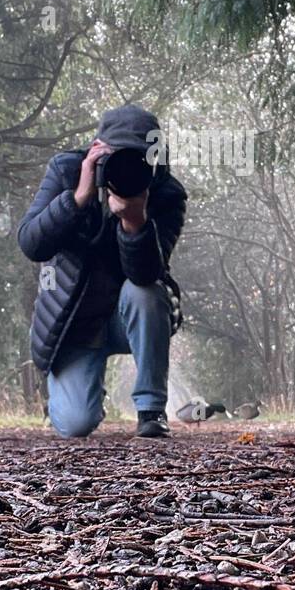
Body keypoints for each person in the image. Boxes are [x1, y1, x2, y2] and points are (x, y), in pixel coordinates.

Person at [17, 104, 186, 438]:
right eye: (115, 158)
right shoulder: (67, 171)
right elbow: (31, 244)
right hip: (75, 323)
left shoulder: (165, 193)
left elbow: (147, 274)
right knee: (75, 423)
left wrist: (134, 220)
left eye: (137, 160)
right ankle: (78, 394)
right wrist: (78, 197)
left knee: (147, 292)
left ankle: (151, 410)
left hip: (128, 317)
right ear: (95, 151)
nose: (125, 169)